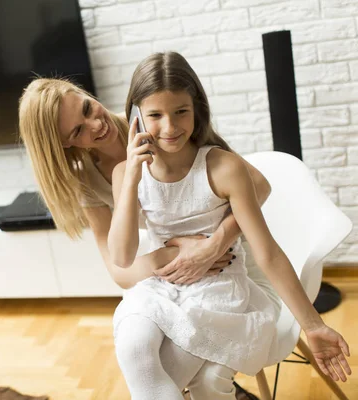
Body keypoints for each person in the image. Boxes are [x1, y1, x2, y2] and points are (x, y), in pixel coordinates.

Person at [106, 51, 352, 399]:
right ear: (135, 117)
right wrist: (131, 176)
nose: (170, 127)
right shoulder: (124, 174)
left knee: (173, 378)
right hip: (160, 288)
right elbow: (122, 254)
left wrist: (313, 325)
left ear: (197, 109)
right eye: (155, 115)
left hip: (218, 293)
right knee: (133, 348)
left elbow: (267, 253)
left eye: (181, 112)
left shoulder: (223, 167)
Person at [18, 75, 279, 398]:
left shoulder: (156, 121)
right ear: (65, 144)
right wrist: (175, 254)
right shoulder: (89, 180)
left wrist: (214, 244)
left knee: (167, 371)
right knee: (141, 352)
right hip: (173, 270)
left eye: (88, 108)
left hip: (230, 261)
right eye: (77, 130)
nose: (95, 124)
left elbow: (260, 186)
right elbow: (119, 271)